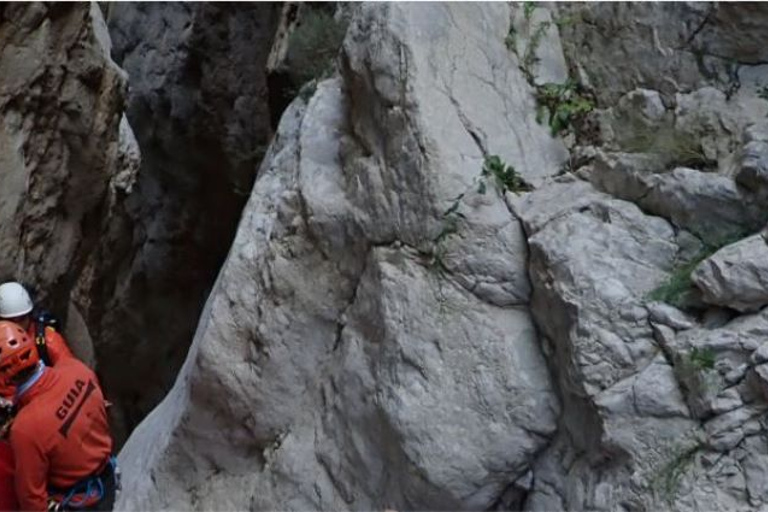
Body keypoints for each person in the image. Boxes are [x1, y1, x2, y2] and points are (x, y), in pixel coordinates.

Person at [0, 321, 117, 511]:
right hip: (106, 478)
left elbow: (32, 499)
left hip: (78, 500)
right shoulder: (75, 368)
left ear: (5, 376)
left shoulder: (25, 428)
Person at [0, 282, 73, 399]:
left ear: (29, 316)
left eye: (22, 319)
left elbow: (71, 374)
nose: (17, 325)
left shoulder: (47, 341)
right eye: (11, 321)